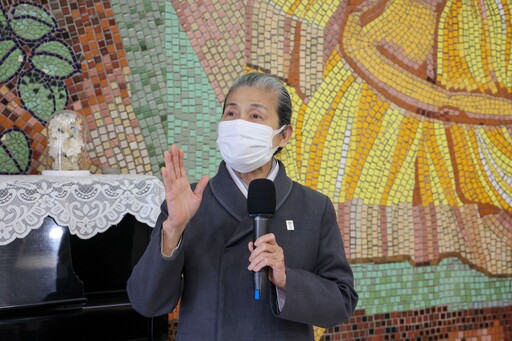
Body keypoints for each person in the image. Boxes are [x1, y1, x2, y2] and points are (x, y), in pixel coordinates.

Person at [127, 73, 358, 340]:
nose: (239, 125)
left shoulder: (314, 207)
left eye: (255, 116)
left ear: (283, 136)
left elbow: (341, 302)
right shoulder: (188, 203)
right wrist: (173, 230)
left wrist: (286, 280)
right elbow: (147, 303)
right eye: (231, 113)